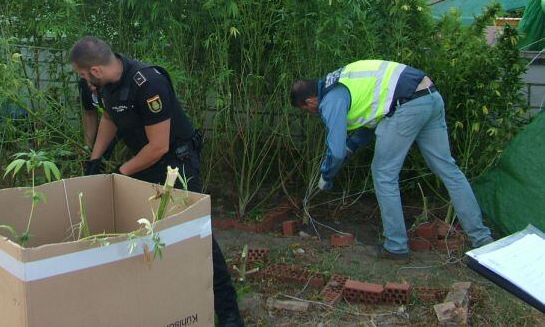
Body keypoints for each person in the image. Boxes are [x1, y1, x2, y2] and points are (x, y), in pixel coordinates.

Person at [71, 37, 244, 327]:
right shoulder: (107, 87)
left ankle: (228, 313)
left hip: (175, 165)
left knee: (197, 237)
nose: (83, 80)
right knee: (143, 231)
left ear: (96, 70)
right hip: (143, 162)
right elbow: (109, 119)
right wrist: (95, 159)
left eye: (82, 74)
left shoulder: (147, 83)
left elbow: (158, 146)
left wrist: (121, 174)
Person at [291, 59, 494, 260]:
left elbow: (335, 151)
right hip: (430, 96)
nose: (310, 113)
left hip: (406, 106)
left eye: (305, 110)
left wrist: (327, 176)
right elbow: (372, 119)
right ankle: (482, 240)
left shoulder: (330, 100)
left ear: (309, 101)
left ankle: (396, 246)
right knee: (448, 170)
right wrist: (351, 146)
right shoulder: (339, 81)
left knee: (383, 174)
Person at [78, 77, 118, 160]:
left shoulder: (116, 83)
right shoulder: (84, 85)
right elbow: (90, 114)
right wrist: (87, 146)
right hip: (108, 121)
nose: (92, 87)